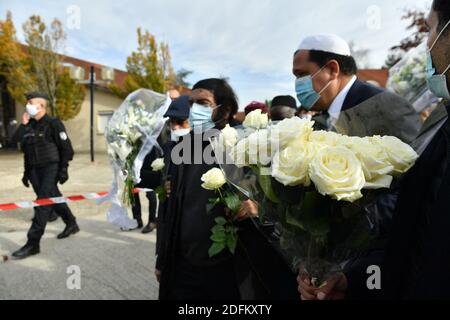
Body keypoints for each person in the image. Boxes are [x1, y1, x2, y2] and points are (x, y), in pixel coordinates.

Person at [299, 0, 450, 300]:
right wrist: (356, 279)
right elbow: (417, 222)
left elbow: (399, 197)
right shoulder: (442, 118)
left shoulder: (384, 106)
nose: (426, 42)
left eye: (431, 28)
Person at [293, 33, 422, 143]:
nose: (297, 83)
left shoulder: (387, 107)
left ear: (333, 69)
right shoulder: (327, 114)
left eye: (302, 74)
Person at [11, 92, 79, 259]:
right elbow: (15, 144)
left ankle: (33, 243)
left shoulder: (53, 123)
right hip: (34, 170)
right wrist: (23, 124)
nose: (27, 105)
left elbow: (67, 149)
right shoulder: (29, 125)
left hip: (50, 168)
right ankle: (71, 223)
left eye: (31, 102)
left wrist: (63, 169)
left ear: (41, 106)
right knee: (53, 197)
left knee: (43, 203)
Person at [155, 95, 191, 282]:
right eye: (172, 122)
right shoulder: (168, 147)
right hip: (170, 230)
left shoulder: (208, 150)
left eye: (181, 122)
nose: (175, 127)